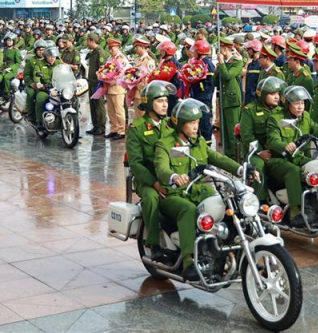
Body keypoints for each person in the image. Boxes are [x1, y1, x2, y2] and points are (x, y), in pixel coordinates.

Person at [154, 98, 257, 281]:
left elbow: (217, 158)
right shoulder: (165, 144)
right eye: (191, 123)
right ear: (179, 124)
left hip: (198, 190)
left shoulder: (199, 141)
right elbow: (161, 167)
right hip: (174, 194)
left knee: (223, 202)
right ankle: (188, 260)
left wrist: (241, 169)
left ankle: (223, 247)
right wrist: (174, 177)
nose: (195, 127)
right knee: (189, 210)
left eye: (197, 123)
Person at [266, 85, 318, 227]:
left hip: (298, 158)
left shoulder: (305, 117)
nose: (300, 107)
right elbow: (273, 140)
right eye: (296, 103)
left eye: (302, 103)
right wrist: (284, 146)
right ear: (287, 103)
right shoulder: (276, 119)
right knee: (293, 170)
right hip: (279, 160)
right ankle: (295, 211)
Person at [126, 81, 176, 262]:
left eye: (166, 101)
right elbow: (136, 163)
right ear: (148, 104)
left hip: (169, 176)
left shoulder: (170, 126)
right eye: (160, 101)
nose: (165, 105)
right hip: (146, 180)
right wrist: (154, 183)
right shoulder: (137, 128)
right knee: (152, 198)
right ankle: (153, 244)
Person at [240, 76, 286, 200]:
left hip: (276, 148)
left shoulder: (281, 110)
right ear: (262, 94)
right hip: (254, 151)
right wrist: (260, 152)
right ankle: (260, 201)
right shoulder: (249, 110)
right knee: (259, 167)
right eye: (272, 94)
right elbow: (247, 136)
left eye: (277, 93)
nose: (277, 96)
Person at [189, 39, 215, 141]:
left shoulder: (208, 64)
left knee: (204, 123)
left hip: (204, 98)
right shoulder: (199, 62)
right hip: (198, 97)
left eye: (195, 51)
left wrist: (199, 83)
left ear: (200, 52)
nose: (194, 53)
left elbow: (210, 83)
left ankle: (207, 144)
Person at [106, 38, 129, 140]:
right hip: (109, 87)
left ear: (118, 47)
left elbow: (124, 73)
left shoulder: (122, 58)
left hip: (118, 87)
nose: (111, 50)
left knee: (119, 110)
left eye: (112, 48)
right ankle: (114, 128)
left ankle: (121, 130)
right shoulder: (110, 57)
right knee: (111, 110)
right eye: (110, 48)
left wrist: (115, 80)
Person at [85, 32, 107, 135]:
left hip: (97, 82)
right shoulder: (93, 51)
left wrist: (100, 82)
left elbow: (102, 68)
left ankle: (101, 126)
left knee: (99, 105)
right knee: (93, 105)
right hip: (92, 82)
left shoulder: (99, 52)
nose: (86, 42)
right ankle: (95, 125)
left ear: (92, 41)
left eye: (87, 40)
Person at [0, 33, 21, 99]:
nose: (9, 42)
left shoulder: (16, 51)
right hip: (4, 67)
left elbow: (18, 63)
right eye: (8, 40)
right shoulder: (4, 49)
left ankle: (7, 93)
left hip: (13, 69)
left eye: (11, 40)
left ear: (13, 41)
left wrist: (10, 68)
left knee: (6, 77)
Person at [243, 40, 263, 105]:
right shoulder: (250, 65)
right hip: (248, 98)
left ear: (253, 50)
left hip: (256, 99)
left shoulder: (261, 65)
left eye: (249, 50)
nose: (247, 52)